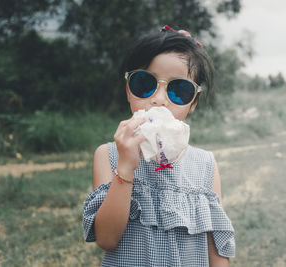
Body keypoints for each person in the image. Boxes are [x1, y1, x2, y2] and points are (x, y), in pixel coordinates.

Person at [83, 25, 235, 267]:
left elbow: (214, 247)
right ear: (128, 90)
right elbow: (107, 239)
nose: (159, 99)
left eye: (178, 91)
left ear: (193, 102)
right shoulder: (108, 156)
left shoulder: (205, 164)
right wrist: (125, 166)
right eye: (144, 84)